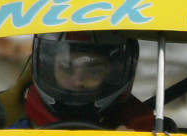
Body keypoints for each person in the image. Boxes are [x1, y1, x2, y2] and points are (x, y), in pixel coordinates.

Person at [10, 31, 154, 130]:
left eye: (92, 71)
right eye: (66, 68)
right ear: (50, 71)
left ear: (112, 75)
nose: (77, 81)